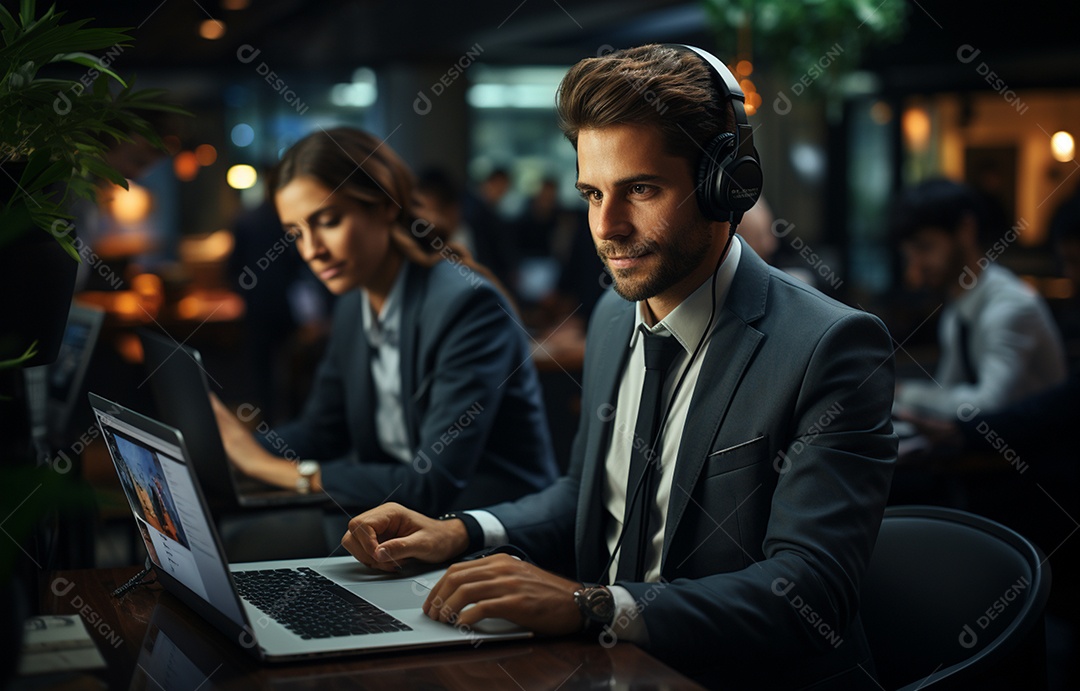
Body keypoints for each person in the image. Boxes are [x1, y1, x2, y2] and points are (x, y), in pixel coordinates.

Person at [340, 45, 897, 688]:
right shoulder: (611, 316)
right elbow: (589, 494)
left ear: (726, 184)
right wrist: (461, 531)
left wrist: (591, 605)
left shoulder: (832, 347)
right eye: (591, 193)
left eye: (641, 189)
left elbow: (811, 592)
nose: (606, 226)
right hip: (607, 667)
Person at [211, 127, 559, 515]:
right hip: (398, 516)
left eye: (327, 221)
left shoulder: (467, 306)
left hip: (487, 532)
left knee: (247, 541)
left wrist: (273, 469)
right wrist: (225, 452)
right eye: (296, 233)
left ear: (385, 205)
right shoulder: (352, 305)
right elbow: (321, 431)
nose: (312, 251)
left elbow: (431, 482)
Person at [891, 178, 1067, 419]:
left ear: (966, 230)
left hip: (1035, 453)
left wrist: (904, 394)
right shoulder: (959, 306)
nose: (916, 268)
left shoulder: (1010, 306)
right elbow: (948, 392)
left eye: (925, 247)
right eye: (910, 255)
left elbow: (987, 406)